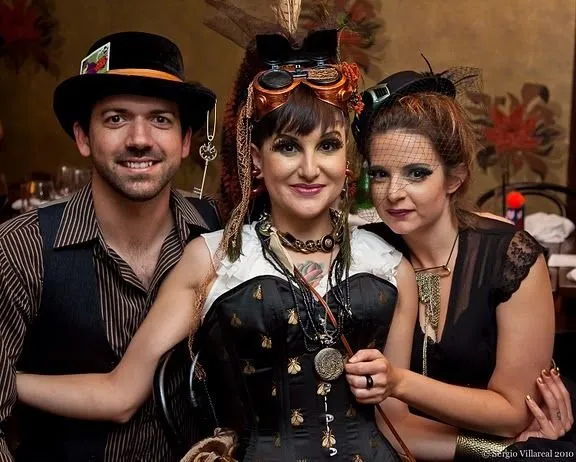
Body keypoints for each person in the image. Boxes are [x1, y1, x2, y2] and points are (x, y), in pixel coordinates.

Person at [13, 25, 423, 461]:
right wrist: (6, 381)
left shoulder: (390, 266)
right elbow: (121, 394)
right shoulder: (213, 256)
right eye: (287, 147)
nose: (309, 168)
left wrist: (478, 447)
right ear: (256, 159)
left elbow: (399, 426)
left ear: (347, 160)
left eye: (327, 146)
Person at [0, 31, 221, 462]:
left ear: (185, 141)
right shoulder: (21, 249)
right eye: (116, 119)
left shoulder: (221, 229)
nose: (140, 138)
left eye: (161, 119)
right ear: (83, 137)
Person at [350, 68, 575, 459]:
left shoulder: (509, 256)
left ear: (454, 178)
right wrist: (501, 451)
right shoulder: (367, 253)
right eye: (380, 174)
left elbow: (512, 413)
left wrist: (398, 382)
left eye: (417, 173)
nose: (393, 193)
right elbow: (392, 427)